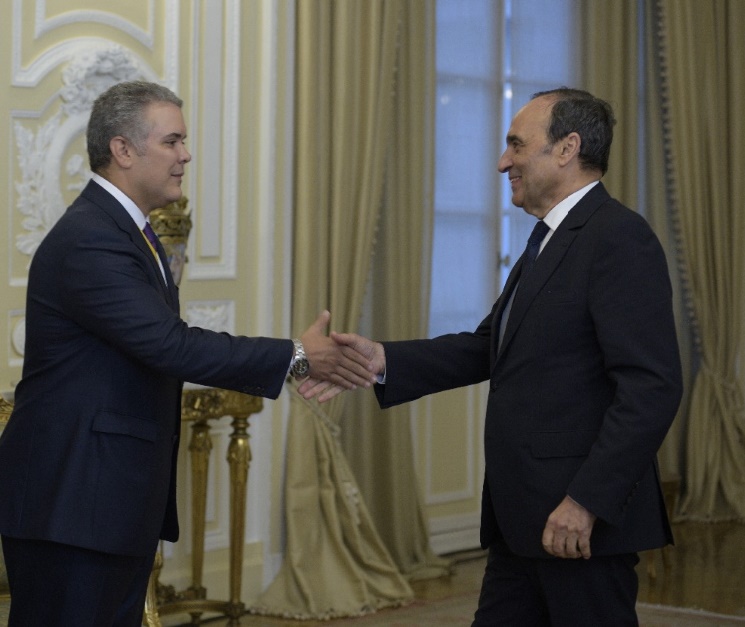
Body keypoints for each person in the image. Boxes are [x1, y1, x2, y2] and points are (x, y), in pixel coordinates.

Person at [301, 88, 683, 626]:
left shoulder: (618, 237)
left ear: (567, 147)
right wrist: (381, 359)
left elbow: (652, 386)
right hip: (521, 517)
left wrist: (585, 503)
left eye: (515, 145)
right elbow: (491, 348)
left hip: (576, 523)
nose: (504, 161)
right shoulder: (545, 241)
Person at [0, 80, 375, 627]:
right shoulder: (92, 238)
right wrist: (297, 355)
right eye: (172, 141)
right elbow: (169, 345)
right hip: (74, 504)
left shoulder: (125, 231)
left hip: (100, 501)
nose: (186, 155)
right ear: (123, 149)